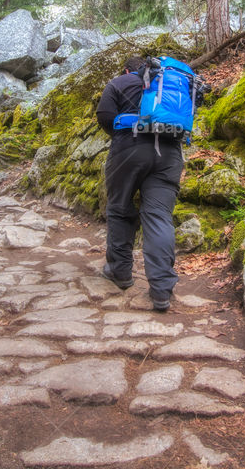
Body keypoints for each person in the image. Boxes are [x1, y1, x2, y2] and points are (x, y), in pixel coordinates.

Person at [95, 56, 184, 311]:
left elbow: (105, 116)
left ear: (127, 70)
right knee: (158, 217)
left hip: (129, 150)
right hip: (169, 154)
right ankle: (161, 290)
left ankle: (120, 272)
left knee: (120, 208)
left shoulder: (119, 82)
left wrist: (122, 136)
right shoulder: (169, 83)